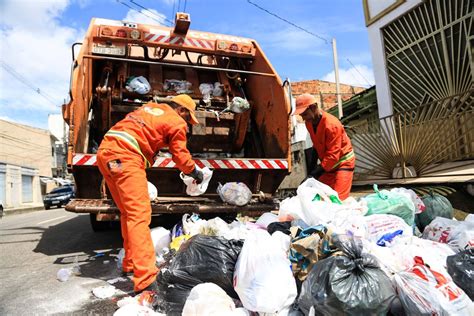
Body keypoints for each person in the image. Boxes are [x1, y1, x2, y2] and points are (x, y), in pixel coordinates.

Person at [96, 94, 203, 294]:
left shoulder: (149, 108)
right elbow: (180, 156)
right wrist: (193, 171)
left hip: (106, 153)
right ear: (181, 110)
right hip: (126, 157)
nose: (187, 123)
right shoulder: (176, 121)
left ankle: (130, 263)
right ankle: (145, 279)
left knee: (128, 213)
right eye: (188, 118)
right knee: (139, 216)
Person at [294, 93, 355, 200]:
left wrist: (315, 173)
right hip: (328, 166)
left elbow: (333, 155)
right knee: (317, 196)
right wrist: (311, 172)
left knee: (338, 200)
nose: (303, 118)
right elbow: (317, 146)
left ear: (313, 107)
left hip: (342, 163)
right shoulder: (309, 123)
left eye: (304, 114)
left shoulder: (332, 125)